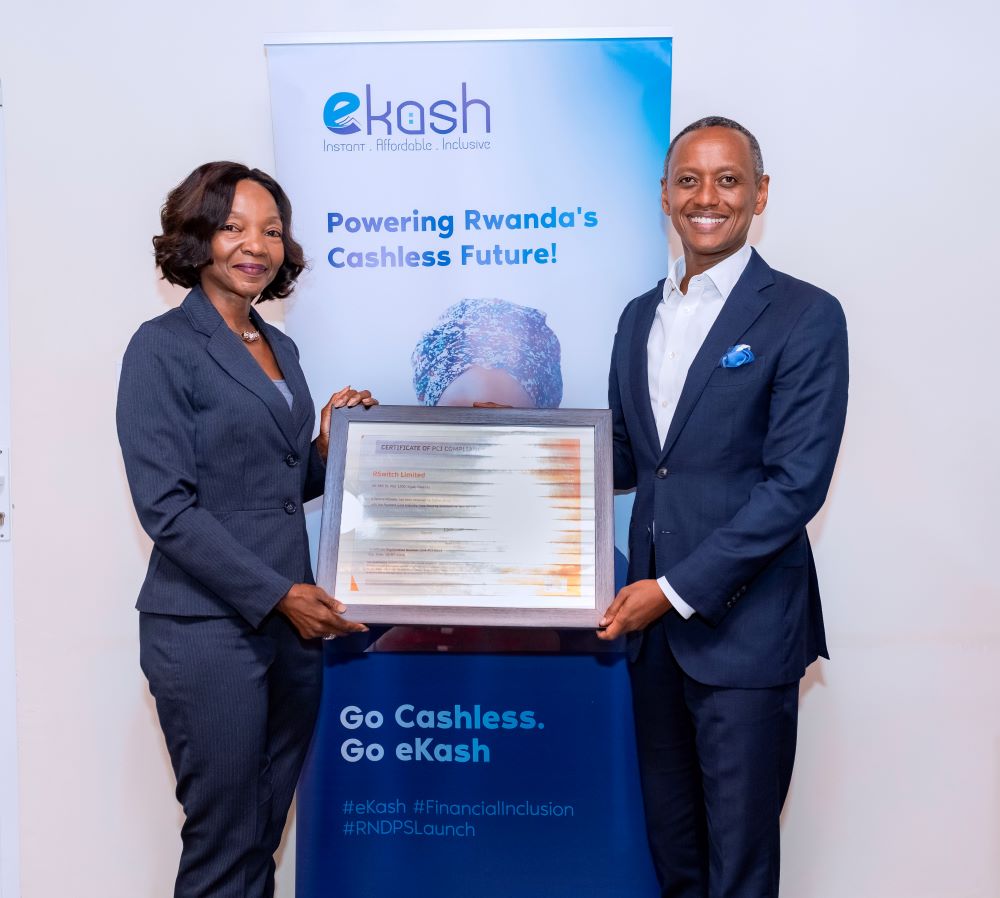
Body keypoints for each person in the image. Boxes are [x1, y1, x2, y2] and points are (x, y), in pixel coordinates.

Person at [598, 117, 849, 897]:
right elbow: (631, 462)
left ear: (759, 194)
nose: (706, 197)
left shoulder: (805, 314)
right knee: (675, 857)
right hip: (653, 644)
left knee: (739, 867)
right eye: (689, 180)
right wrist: (498, 447)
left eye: (728, 179)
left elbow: (795, 484)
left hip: (744, 633)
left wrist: (672, 591)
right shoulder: (637, 316)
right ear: (665, 195)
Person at [116, 161, 377, 898]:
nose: (255, 245)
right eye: (233, 227)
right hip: (207, 630)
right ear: (198, 236)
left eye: (271, 230)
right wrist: (279, 595)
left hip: (289, 630)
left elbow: (278, 488)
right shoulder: (162, 346)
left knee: (260, 834)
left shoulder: (278, 347)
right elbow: (167, 508)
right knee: (225, 839)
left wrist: (326, 448)